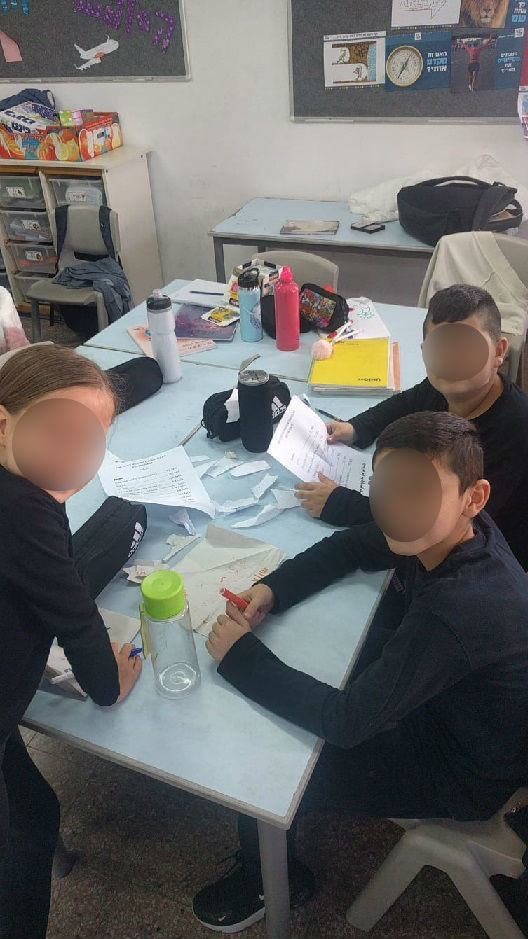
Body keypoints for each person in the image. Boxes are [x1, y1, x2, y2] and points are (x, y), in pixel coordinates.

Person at [193, 411, 528, 933]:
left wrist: (240, 658)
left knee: (265, 771)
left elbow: (346, 722)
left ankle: (272, 881)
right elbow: (350, 545)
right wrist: (272, 589)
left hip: (463, 771)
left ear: (474, 497)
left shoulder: (457, 609)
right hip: (453, 712)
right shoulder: (459, 531)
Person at [0, 344, 142, 939]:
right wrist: (109, 684)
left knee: (36, 809)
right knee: (22, 853)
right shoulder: (24, 508)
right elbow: (75, 618)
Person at [295, 284, 528, 571]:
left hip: (490, 560)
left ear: (498, 352)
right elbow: (406, 401)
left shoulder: (515, 430)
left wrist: (344, 504)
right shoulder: (444, 383)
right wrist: (356, 428)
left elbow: (448, 522)